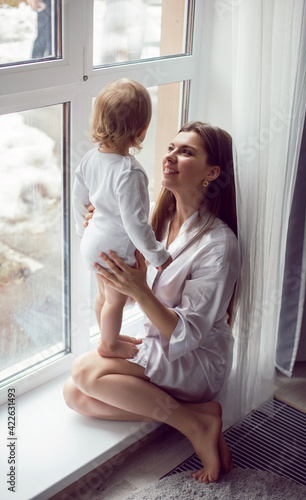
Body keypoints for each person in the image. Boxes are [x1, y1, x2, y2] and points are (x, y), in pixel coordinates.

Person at [64, 121, 240, 484]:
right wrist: (103, 235)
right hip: (160, 343)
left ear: (212, 172)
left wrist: (140, 288)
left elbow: (189, 335)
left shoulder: (219, 245)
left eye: (185, 151)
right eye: (171, 147)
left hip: (197, 358)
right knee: (76, 396)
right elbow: (125, 302)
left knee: (85, 372)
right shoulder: (154, 225)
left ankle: (194, 425)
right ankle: (199, 415)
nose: (170, 157)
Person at [72, 78, 171, 359]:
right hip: (115, 247)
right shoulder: (130, 172)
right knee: (115, 300)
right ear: (141, 131)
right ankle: (110, 345)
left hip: (92, 242)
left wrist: (83, 227)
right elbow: (136, 223)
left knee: (103, 295)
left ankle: (108, 336)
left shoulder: (90, 158)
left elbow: (79, 198)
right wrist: (157, 255)